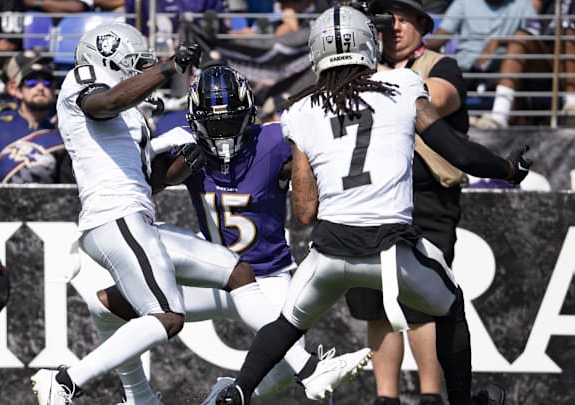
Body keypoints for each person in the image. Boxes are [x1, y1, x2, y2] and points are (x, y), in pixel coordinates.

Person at [206, 5, 532, 405]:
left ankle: (240, 390)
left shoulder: (302, 111)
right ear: (368, 44)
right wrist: (509, 169)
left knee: (287, 323)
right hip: (391, 250)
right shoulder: (403, 85)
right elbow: (456, 151)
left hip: (329, 250)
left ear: (315, 52)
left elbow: (305, 210)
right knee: (450, 304)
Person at [28, 22, 367, 405]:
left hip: (266, 277)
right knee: (164, 315)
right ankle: (72, 383)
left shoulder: (274, 139)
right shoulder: (92, 85)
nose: (221, 133)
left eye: (230, 121)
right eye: (137, 66)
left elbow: (140, 173)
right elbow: (113, 117)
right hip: (120, 218)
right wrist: (168, 71)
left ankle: (151, 397)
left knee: (123, 300)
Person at [344, 1, 470, 404]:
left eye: (402, 18)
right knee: (377, 305)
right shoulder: (362, 67)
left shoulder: (440, 64)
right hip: (371, 199)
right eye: (384, 19)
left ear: (422, 24)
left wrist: (363, 71)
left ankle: (431, 396)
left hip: (427, 199)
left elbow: (439, 98)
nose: (393, 27)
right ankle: (386, 398)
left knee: (423, 301)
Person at [470, 0, 575, 128]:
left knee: (569, 30)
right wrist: (499, 40)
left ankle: (572, 106)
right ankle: (499, 116)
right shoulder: (547, 4)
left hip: (569, 58)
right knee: (520, 38)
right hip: (549, 64)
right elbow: (531, 29)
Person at [0, 57, 68, 183]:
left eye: (47, 83)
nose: (40, 87)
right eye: (31, 82)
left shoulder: (61, 136)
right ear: (18, 91)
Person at [424, 0, 537, 88]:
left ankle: (498, 116)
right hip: (464, 67)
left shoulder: (523, 4)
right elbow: (440, 37)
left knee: (512, 74)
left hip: (501, 68)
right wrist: (417, 46)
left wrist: (499, 41)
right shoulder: (464, 2)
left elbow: (534, 39)